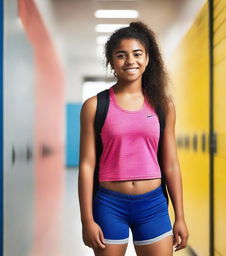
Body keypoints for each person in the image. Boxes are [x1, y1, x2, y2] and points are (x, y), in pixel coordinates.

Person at [78, 21, 189, 256]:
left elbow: (170, 164)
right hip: (109, 205)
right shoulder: (94, 106)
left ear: (148, 59)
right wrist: (86, 219)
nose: (130, 61)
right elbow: (87, 166)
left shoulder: (163, 106)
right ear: (111, 62)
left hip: (153, 206)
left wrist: (180, 216)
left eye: (137, 54)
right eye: (121, 55)